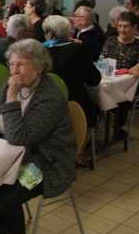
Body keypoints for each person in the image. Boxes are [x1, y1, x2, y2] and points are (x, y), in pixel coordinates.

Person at [0, 39, 75, 234]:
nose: (14, 71)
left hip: (44, 162)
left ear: (40, 66)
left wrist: (12, 97)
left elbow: (19, 137)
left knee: (5, 201)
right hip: (8, 156)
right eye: (12, 64)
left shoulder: (49, 97)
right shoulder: (12, 83)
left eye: (21, 65)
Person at [42, 16, 101, 167]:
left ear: (49, 34)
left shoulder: (38, 51)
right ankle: (79, 154)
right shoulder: (78, 49)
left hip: (42, 104)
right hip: (73, 105)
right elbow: (94, 79)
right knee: (95, 111)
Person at [100, 11, 139, 133]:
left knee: (124, 93)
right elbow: (102, 59)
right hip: (110, 79)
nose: (122, 29)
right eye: (120, 26)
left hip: (130, 81)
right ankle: (93, 127)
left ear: (135, 27)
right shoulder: (111, 41)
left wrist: (137, 68)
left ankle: (119, 127)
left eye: (126, 26)